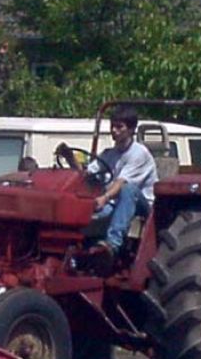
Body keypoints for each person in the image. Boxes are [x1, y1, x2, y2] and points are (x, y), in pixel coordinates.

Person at [55, 106, 158, 259]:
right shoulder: (109, 154)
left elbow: (121, 183)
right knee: (83, 211)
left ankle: (112, 244)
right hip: (114, 202)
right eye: (112, 126)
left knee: (128, 190)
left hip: (142, 206)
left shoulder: (139, 154)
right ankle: (70, 247)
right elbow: (86, 175)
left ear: (131, 129)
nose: (114, 131)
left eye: (119, 127)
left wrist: (104, 197)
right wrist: (70, 158)